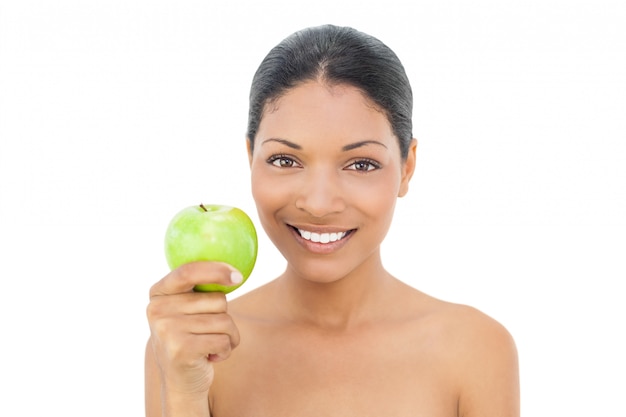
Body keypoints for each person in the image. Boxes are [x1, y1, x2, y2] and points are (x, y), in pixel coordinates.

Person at [145, 24, 520, 417]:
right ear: (250, 156)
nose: (319, 204)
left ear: (407, 168)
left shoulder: (475, 350)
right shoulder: (190, 347)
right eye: (285, 160)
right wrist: (184, 393)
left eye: (361, 164)